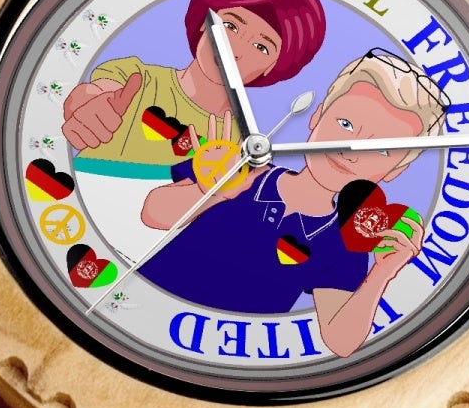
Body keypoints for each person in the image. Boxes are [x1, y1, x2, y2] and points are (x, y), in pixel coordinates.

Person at [138, 51, 446, 358]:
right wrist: (214, 190)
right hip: (142, 313)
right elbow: (153, 213)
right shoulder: (243, 168)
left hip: (221, 352)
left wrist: (384, 272)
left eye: (379, 150)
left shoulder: (345, 243)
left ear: (396, 171)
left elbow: (341, 342)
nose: (348, 152)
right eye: (345, 124)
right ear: (316, 116)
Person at [61, 0, 326, 180]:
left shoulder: (244, 145)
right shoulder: (137, 78)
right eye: (231, 26)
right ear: (203, 22)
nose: (235, 49)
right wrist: (90, 109)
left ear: (272, 68)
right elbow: (92, 95)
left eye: (261, 47)